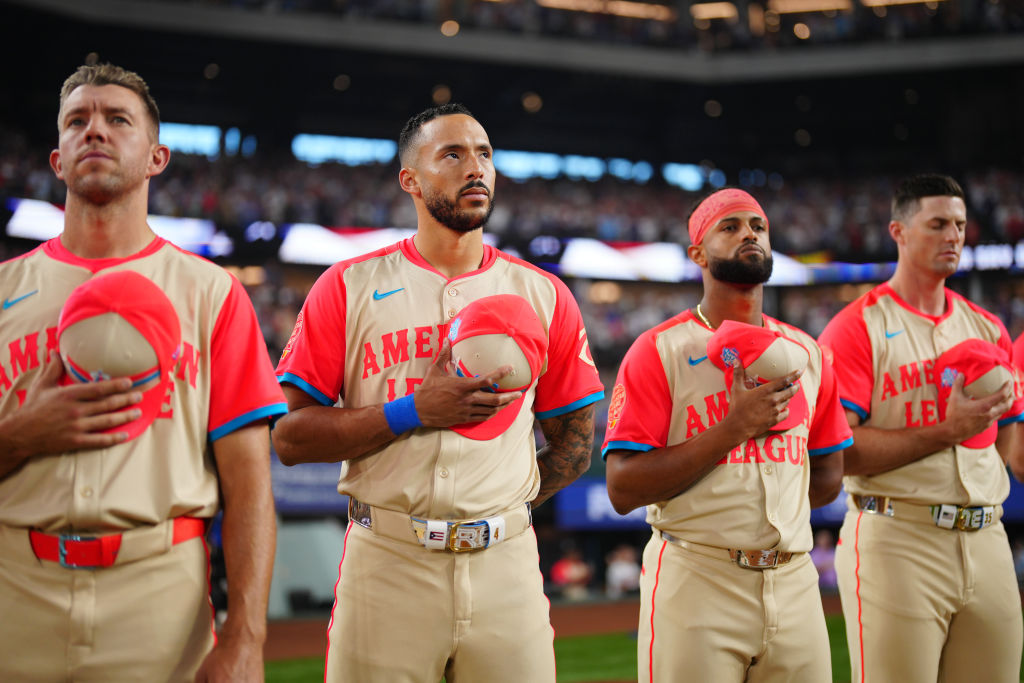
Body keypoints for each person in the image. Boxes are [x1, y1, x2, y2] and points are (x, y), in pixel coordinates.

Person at [272, 103, 604, 682]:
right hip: (388, 562)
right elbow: (290, 438)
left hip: (508, 566)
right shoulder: (345, 287)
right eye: (452, 154)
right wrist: (413, 411)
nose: (475, 167)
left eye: (484, 154)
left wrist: (507, 506)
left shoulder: (544, 293)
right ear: (411, 180)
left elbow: (576, 443)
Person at [0, 64, 286, 681]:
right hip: (12, 589)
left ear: (157, 157)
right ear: (56, 160)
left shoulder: (212, 292)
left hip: (160, 595)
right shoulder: (3, 289)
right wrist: (20, 433)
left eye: (116, 120)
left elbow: (249, 487)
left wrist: (247, 638)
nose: (94, 131)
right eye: (77, 121)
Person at [603, 187, 851, 682]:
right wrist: (733, 430)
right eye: (730, 227)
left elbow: (828, 476)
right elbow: (623, 488)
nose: (749, 235)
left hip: (796, 581)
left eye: (758, 226)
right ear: (698, 253)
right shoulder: (659, 350)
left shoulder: (808, 352)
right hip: (699, 575)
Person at [819, 173, 1024, 683]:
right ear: (899, 231)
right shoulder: (856, 326)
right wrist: (945, 432)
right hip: (897, 536)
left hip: (986, 536)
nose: (953, 236)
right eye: (937, 224)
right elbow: (837, 453)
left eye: (959, 225)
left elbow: (1010, 447)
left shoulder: (988, 326)